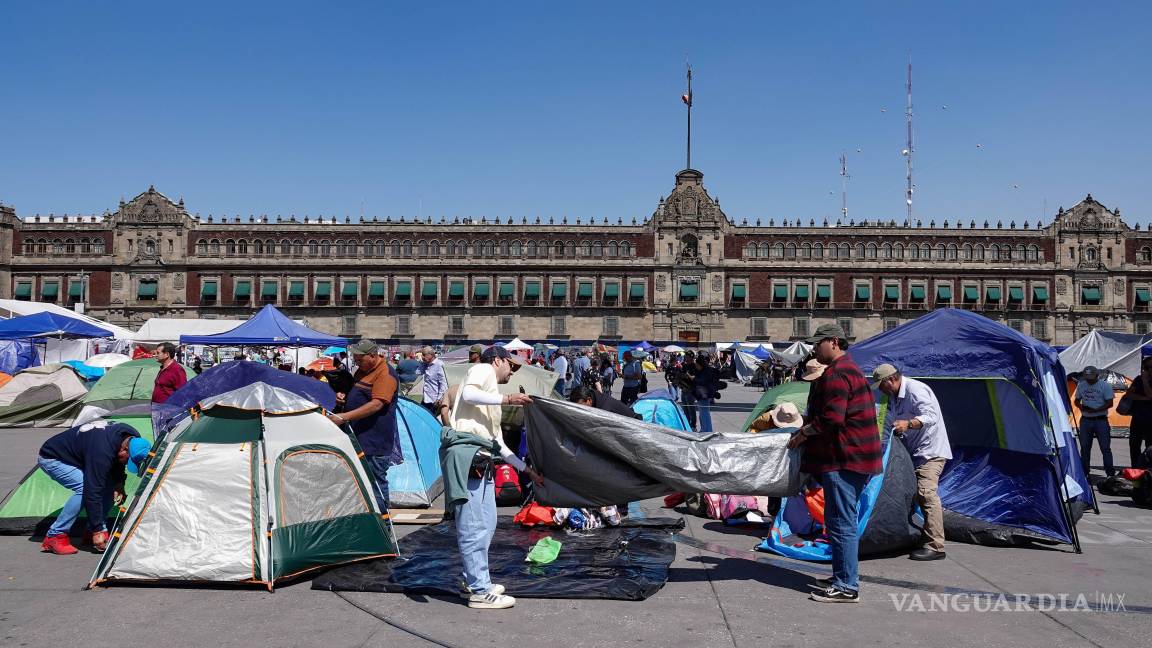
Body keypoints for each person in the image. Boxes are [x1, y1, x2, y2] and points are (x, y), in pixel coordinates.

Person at [788, 324, 883, 603]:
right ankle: (843, 574)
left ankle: (846, 586)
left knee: (841, 522)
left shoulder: (837, 373)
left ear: (833, 342)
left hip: (844, 458)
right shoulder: (851, 369)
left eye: (818, 344)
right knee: (839, 520)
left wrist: (802, 433)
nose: (815, 349)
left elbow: (832, 419)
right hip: (854, 456)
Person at [446, 345, 541, 609]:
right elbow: (468, 393)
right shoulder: (483, 369)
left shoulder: (491, 398)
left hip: (483, 457)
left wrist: (527, 470)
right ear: (497, 360)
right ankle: (479, 590)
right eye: (511, 365)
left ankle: (473, 579)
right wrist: (508, 399)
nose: (512, 372)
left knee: (487, 521)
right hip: (469, 454)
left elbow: (499, 444)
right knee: (474, 525)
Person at [873, 363, 951, 561]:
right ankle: (918, 535)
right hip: (912, 452)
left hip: (930, 452)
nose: (880, 390)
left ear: (891, 380)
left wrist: (908, 424)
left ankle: (936, 545)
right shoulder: (892, 397)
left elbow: (931, 416)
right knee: (909, 493)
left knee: (926, 493)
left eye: (881, 385)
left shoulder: (916, 390)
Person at [37, 420, 151, 555]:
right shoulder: (101, 451)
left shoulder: (131, 436)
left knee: (108, 487)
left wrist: (119, 483)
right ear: (124, 449)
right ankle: (55, 536)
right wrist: (99, 529)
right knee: (85, 487)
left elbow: (117, 461)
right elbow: (93, 490)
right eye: (128, 459)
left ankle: (91, 532)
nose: (127, 463)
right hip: (53, 457)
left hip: (82, 455)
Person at [326, 340, 400, 514]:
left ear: (372, 356)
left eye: (360, 359)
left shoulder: (386, 374)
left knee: (376, 484)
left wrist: (344, 417)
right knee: (360, 484)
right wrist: (343, 397)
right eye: (356, 360)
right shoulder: (363, 370)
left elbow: (377, 404)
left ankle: (383, 526)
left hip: (375, 440)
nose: (357, 363)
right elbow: (358, 392)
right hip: (359, 437)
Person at [1075, 366, 1115, 477]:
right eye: (1087, 377)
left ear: (1097, 375)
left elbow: (1110, 403)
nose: (1089, 380)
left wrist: (1098, 409)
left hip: (1100, 419)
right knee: (1085, 448)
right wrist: (1081, 407)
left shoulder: (1105, 386)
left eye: (1091, 377)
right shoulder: (1081, 385)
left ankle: (1110, 474)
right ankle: (1085, 473)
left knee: (1105, 448)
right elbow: (1076, 400)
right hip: (1086, 420)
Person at [1123, 357, 1152, 468]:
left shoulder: (1143, 380)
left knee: (1150, 447)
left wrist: (1145, 382)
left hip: (1150, 420)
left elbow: (1150, 395)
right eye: (1146, 367)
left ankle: (1148, 469)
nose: (1148, 370)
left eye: (1150, 367)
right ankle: (1135, 469)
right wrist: (1144, 398)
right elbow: (1128, 394)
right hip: (1137, 418)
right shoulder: (1138, 379)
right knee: (1134, 446)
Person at [418, 345, 448, 415]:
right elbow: (417, 372)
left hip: (434, 400)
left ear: (431, 354)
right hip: (426, 398)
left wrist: (439, 398)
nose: (423, 357)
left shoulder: (439, 365)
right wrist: (422, 364)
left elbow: (443, 383)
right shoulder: (426, 364)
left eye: (424, 355)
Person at [693, 354, 719, 433]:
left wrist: (694, 378)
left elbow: (703, 382)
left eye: (697, 365)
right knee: (703, 413)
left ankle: (706, 430)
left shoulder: (706, 371)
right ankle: (705, 429)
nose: (696, 366)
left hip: (704, 394)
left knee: (704, 413)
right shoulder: (702, 371)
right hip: (701, 394)